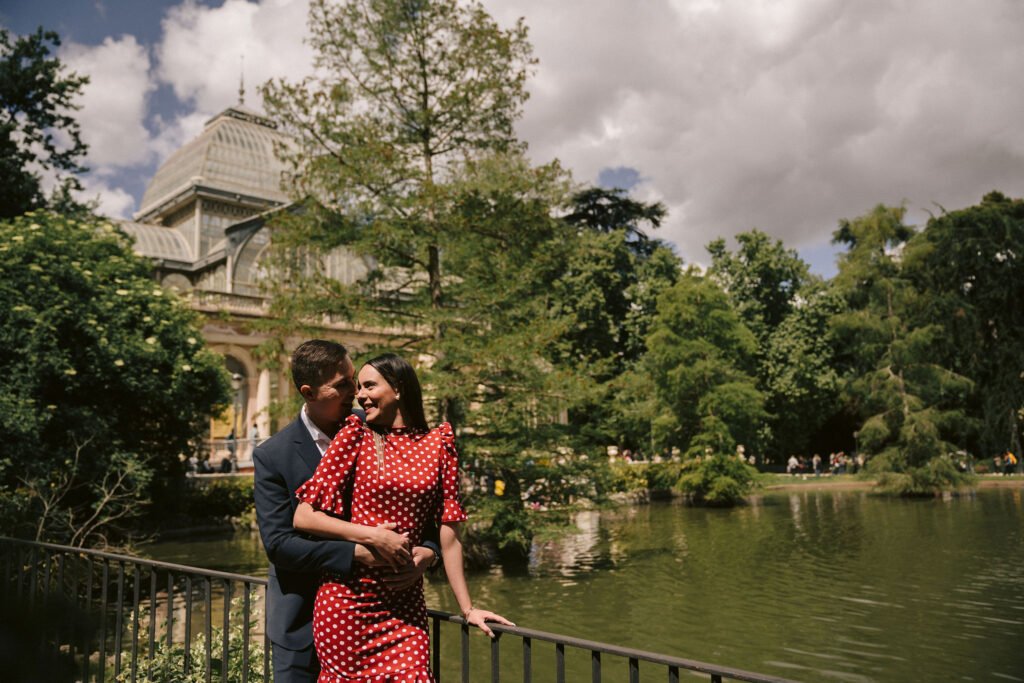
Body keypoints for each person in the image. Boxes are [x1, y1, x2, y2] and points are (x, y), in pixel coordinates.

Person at [293, 353, 513, 681]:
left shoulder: (440, 443)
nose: (359, 394)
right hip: (347, 604)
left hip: (404, 607)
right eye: (358, 388)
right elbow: (304, 517)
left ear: (398, 388)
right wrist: (368, 535)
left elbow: (449, 533)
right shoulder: (355, 433)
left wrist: (467, 608)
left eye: (369, 385)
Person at [254, 341, 441, 683]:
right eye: (342, 385)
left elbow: (421, 507)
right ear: (308, 392)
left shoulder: (373, 427)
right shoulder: (273, 455)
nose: (356, 393)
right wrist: (357, 552)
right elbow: (279, 544)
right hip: (303, 623)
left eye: (355, 381)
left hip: (385, 614)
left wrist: (428, 553)